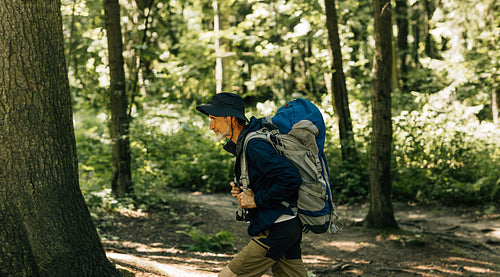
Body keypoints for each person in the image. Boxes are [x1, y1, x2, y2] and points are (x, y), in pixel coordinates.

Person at [196, 92, 307, 277]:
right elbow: (270, 178)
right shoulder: (245, 144)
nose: (211, 126)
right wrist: (247, 189)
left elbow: (291, 178)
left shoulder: (254, 145)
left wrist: (256, 199)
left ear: (231, 118)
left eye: (214, 119)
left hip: (277, 228)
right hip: (286, 226)